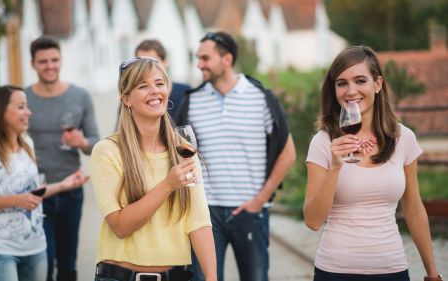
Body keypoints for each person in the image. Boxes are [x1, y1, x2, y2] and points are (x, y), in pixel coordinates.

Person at [304, 46, 441, 280]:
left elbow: (414, 209)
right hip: (335, 270)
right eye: (341, 83)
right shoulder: (323, 142)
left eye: (360, 80)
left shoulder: (403, 138)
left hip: (392, 269)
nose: (351, 91)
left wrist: (432, 273)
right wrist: (335, 167)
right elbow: (313, 220)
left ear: (377, 84)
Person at [175, 32, 296, 281]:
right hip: (204, 212)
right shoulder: (192, 101)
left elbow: (288, 153)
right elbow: (179, 154)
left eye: (205, 58)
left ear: (227, 59)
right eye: (198, 58)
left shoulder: (262, 98)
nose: (199, 64)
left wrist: (260, 200)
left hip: (250, 211)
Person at [90, 57, 217, 281]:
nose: (154, 91)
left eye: (159, 83)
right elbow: (119, 226)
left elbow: (198, 222)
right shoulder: (107, 152)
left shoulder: (183, 150)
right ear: (126, 99)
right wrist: (168, 185)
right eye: (143, 86)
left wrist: (212, 278)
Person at [0, 85, 89, 281]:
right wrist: (15, 200)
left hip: (34, 247)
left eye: (27, 106)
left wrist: (64, 185)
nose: (28, 112)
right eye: (21, 107)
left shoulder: (27, 144)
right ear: (0, 111)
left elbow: (30, 194)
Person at [24, 35, 100, 281]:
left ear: (61, 61)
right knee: (42, 266)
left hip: (71, 191)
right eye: (43, 61)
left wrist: (83, 142)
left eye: (54, 60)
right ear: (33, 64)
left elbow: (96, 143)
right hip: (35, 191)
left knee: (68, 267)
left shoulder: (80, 96)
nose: (50, 65)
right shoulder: (22, 99)